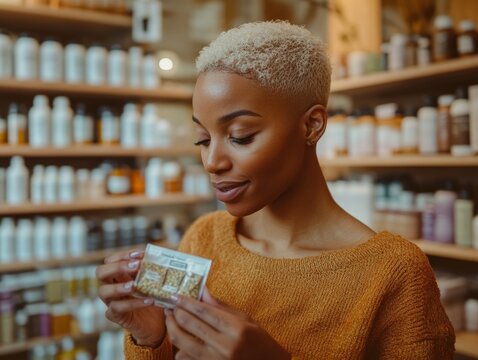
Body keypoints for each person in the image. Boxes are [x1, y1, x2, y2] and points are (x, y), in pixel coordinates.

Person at [96, 21, 455, 359]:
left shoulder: (393, 273)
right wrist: (151, 338)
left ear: (312, 125)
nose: (211, 162)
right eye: (202, 139)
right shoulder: (204, 238)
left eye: (240, 136)